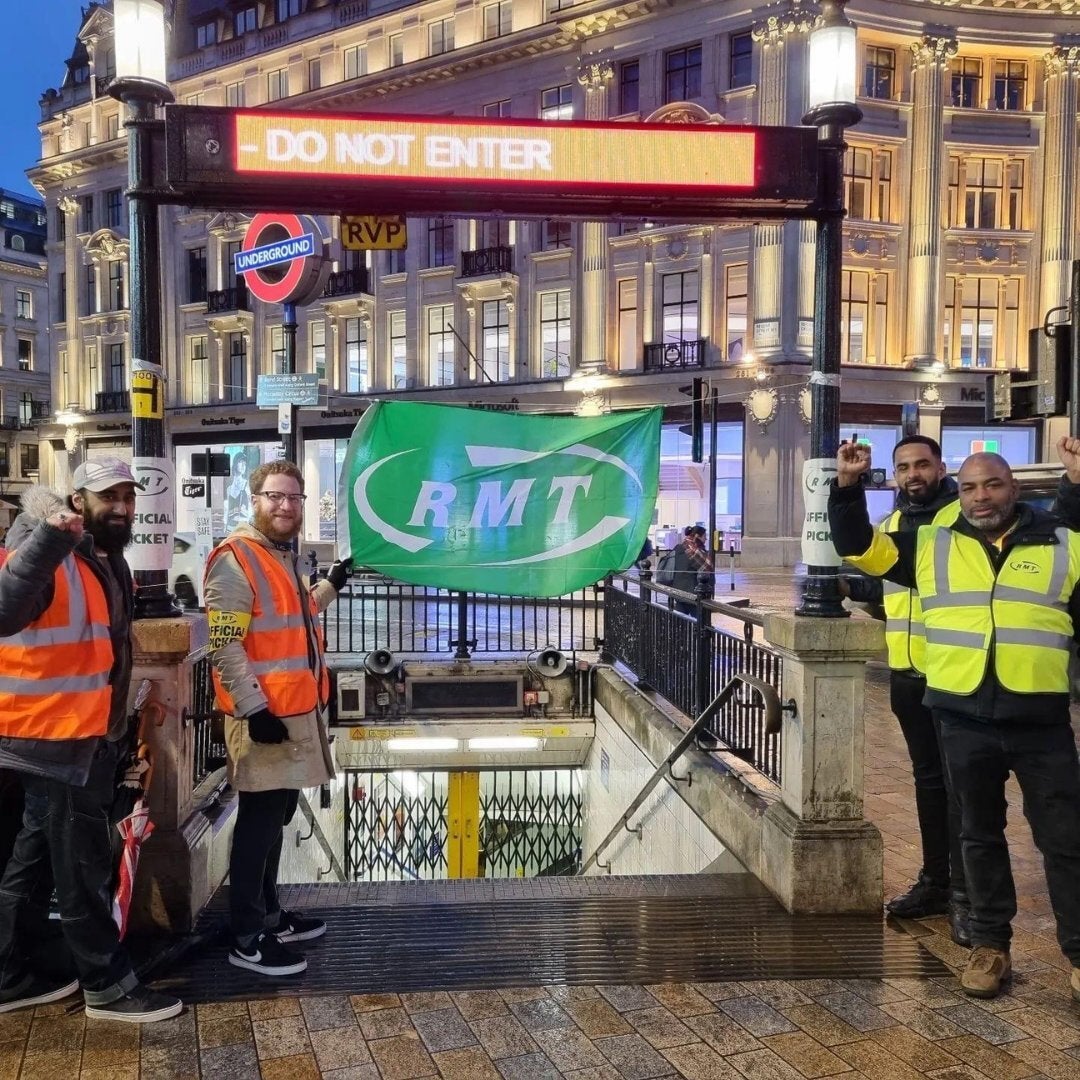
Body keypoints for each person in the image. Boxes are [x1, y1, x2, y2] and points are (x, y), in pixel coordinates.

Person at [829, 437, 1080, 1004]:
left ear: (1012, 488)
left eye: (991, 484)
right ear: (958, 492)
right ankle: (989, 946)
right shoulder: (930, 546)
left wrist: (1077, 484)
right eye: (969, 488)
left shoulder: (1062, 543)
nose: (980, 497)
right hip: (963, 713)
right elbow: (858, 547)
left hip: (1039, 718)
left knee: (1065, 841)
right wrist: (847, 487)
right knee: (978, 835)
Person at [0, 459, 183, 1022]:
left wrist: (125, 720)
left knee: (30, 862)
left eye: (129, 496)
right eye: (109, 497)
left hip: (75, 733)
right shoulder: (45, 541)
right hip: (54, 735)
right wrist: (51, 540)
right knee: (81, 868)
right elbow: (5, 610)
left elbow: (109, 651)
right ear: (78, 501)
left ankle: (9, 976)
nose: (123, 507)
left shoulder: (108, 559)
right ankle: (107, 986)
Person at [203, 460, 351, 976]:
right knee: (258, 825)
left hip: (293, 715)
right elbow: (224, 643)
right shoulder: (235, 559)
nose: (285, 506)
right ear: (255, 499)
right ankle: (247, 937)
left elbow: (296, 616)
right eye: (275, 496)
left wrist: (333, 585)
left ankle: (268, 914)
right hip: (264, 717)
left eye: (294, 498)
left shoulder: (277, 556)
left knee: (277, 821)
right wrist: (253, 708)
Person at [838, 436, 969, 945]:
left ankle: (966, 896)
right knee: (929, 785)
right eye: (903, 468)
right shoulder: (892, 526)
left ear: (940, 467)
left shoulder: (961, 521)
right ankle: (936, 882)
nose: (912, 474)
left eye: (921, 465)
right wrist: (850, 587)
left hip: (955, 678)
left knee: (963, 791)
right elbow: (892, 584)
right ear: (893, 475)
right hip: (908, 676)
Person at [674, 525, 713, 614]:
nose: (706, 539)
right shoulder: (695, 551)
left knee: (681, 621)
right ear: (697, 536)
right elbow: (708, 566)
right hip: (693, 592)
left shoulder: (679, 547)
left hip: (679, 590)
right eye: (704, 537)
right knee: (700, 621)